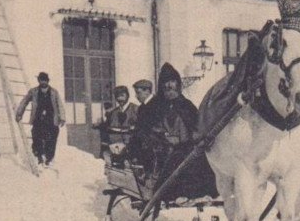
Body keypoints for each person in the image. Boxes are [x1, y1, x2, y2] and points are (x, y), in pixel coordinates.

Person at [132, 62, 216, 199]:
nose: (169, 87)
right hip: (161, 149)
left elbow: (197, 128)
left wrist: (185, 139)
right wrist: (162, 137)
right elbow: (145, 130)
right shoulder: (154, 106)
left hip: (185, 148)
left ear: (177, 85)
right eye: (166, 84)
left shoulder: (187, 106)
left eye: (172, 83)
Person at [15, 72, 66, 167]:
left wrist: (62, 118)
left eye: (45, 80)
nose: (43, 82)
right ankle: (39, 157)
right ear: (39, 81)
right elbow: (24, 101)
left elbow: (60, 105)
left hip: (51, 120)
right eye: (41, 80)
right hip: (38, 119)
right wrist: (19, 113)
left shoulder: (54, 92)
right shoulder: (33, 92)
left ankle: (49, 159)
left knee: (51, 139)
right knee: (36, 137)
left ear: (48, 81)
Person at [92, 85, 138, 158]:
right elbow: (107, 127)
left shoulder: (136, 110)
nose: (120, 98)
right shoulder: (113, 113)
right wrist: (99, 124)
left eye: (122, 95)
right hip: (116, 147)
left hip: (132, 147)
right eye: (117, 96)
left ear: (128, 96)